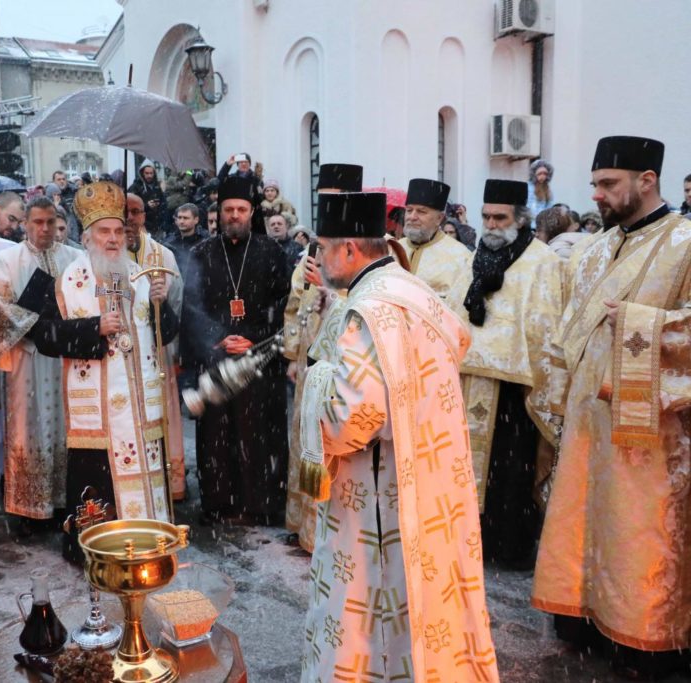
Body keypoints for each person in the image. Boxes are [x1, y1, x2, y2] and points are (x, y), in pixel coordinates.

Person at [296, 190, 498, 682]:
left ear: (348, 250)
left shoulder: (366, 311)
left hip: (379, 492)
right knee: (428, 601)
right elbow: (458, 340)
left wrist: (316, 378)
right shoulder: (414, 291)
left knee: (372, 606)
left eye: (322, 249)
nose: (316, 261)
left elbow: (351, 422)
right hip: (431, 478)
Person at [533, 136, 691, 680]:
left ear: (647, 181)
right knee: (583, 514)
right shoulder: (596, 248)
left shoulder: (686, 241)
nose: (596, 195)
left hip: (649, 429)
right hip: (586, 417)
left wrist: (638, 323)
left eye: (608, 184)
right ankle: (585, 620)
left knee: (637, 530)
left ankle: (645, 639)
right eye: (595, 184)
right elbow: (570, 323)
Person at [26, 181, 176, 562]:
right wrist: (92, 328)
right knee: (96, 488)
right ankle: (97, 552)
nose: (113, 239)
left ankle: (147, 541)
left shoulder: (141, 276)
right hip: (97, 419)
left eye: (118, 231)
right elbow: (42, 336)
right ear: (88, 236)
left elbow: (167, 333)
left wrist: (161, 304)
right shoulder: (63, 278)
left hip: (140, 413)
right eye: (104, 232)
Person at [446, 179, 563, 570]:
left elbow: (546, 325)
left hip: (516, 392)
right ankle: (468, 541)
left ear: (520, 219)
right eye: (485, 217)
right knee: (463, 467)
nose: (491, 225)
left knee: (511, 473)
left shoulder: (542, 261)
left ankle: (508, 547)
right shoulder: (471, 257)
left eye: (500, 217)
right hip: (467, 382)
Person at [182, 175, 291, 526]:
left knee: (259, 433)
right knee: (217, 437)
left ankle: (261, 505)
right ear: (219, 211)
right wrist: (220, 337)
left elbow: (284, 304)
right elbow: (192, 307)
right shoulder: (201, 254)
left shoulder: (270, 251)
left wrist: (251, 336)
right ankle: (219, 504)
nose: (234, 216)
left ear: (251, 212)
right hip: (215, 359)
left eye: (241, 210)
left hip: (258, 360)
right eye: (228, 209)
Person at [0, 197, 82, 532]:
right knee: (28, 429)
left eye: (51, 222)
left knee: (66, 427)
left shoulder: (76, 258)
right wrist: (41, 326)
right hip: (27, 357)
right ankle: (27, 508)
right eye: (37, 222)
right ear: (25, 223)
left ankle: (63, 502)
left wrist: (66, 328)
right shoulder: (7, 259)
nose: (45, 229)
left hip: (66, 359)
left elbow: (85, 306)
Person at [284, 163, 364, 552]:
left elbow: (363, 306)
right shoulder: (314, 250)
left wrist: (331, 294)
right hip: (309, 354)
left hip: (341, 364)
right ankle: (305, 525)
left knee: (333, 442)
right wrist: (292, 353)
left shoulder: (361, 248)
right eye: (323, 199)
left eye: (335, 199)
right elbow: (295, 302)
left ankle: (329, 534)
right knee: (303, 435)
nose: (327, 206)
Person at [124, 192, 186, 500]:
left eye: (135, 212)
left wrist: (160, 305)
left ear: (144, 216)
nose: (129, 219)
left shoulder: (164, 256)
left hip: (158, 355)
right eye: (123, 213)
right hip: (122, 355)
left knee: (161, 417)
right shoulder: (105, 256)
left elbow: (178, 305)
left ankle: (165, 483)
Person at [399, 178, 473, 298]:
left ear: (439, 218)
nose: (412, 217)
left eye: (421, 212)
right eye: (409, 210)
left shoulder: (460, 257)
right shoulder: (393, 248)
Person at [163, 202, 207, 276]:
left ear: (196, 220)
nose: (181, 221)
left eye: (186, 218)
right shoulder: (169, 242)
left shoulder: (205, 241)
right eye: (179, 217)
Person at [127, 161, 166, 236]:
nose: (149, 176)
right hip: (143, 225)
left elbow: (163, 203)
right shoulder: (135, 187)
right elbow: (131, 207)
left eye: (151, 173)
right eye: (147, 173)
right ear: (142, 173)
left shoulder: (157, 186)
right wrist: (147, 206)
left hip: (157, 225)